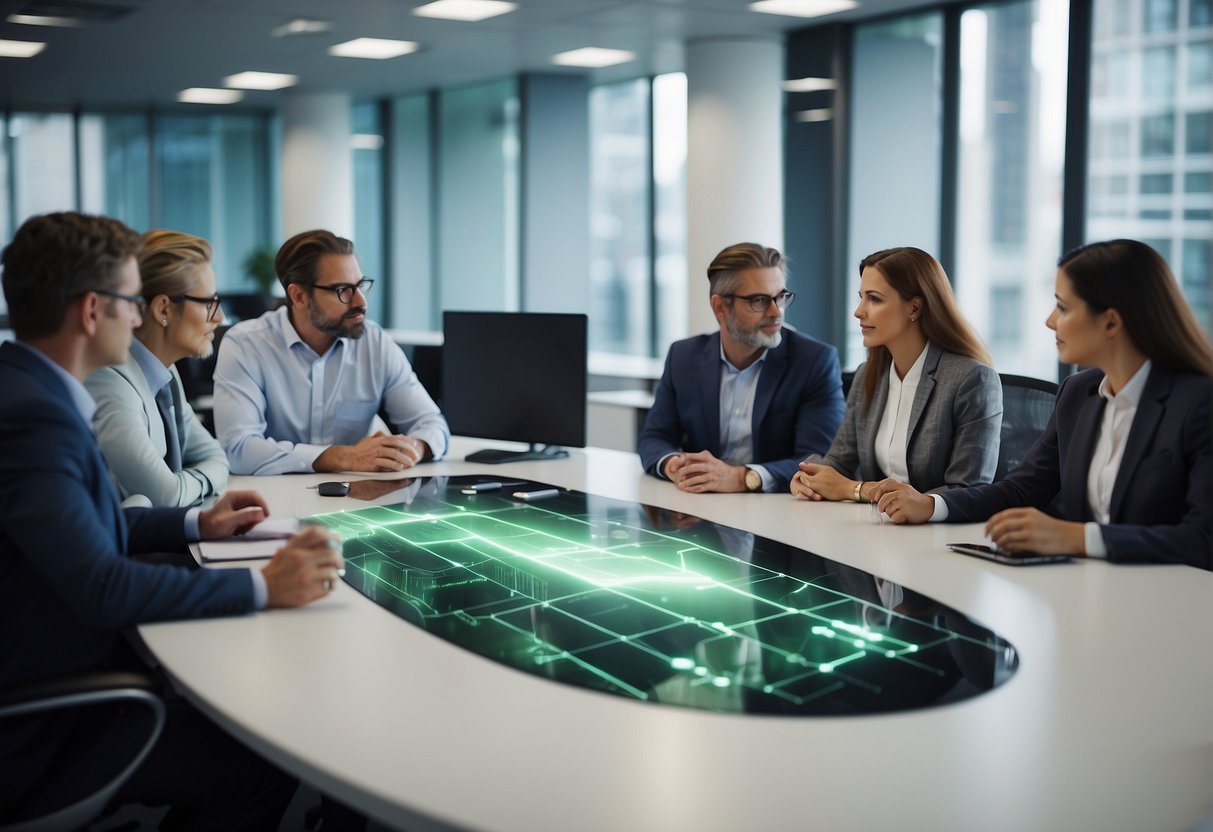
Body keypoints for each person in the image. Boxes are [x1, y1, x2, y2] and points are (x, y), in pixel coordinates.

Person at [0, 211, 346, 828]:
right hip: (47, 731)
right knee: (260, 763)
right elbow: (101, 584)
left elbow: (82, 531)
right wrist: (263, 586)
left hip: (59, 679)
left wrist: (193, 526)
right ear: (90, 311)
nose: (138, 319)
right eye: (130, 303)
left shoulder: (31, 393)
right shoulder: (36, 420)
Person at [871, 239, 1212, 571]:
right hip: (1092, 595)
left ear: (1110, 321)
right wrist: (932, 505)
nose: (1050, 321)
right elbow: (1022, 488)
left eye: (1062, 307)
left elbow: (1202, 538)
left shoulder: (1199, 403)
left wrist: (1078, 538)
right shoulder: (1079, 394)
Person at [213, 229, 449, 476]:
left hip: (354, 502)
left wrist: (414, 448)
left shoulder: (375, 343)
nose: (361, 302)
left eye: (360, 286)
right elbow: (238, 451)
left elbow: (433, 424)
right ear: (299, 296)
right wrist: (342, 456)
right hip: (271, 504)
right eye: (342, 290)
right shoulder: (245, 345)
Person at [790, 247, 1002, 504]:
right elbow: (839, 462)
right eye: (861, 297)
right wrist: (809, 477)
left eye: (874, 299)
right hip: (880, 531)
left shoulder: (971, 379)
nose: (858, 311)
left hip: (938, 537)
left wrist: (857, 489)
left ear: (914, 307)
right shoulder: (869, 374)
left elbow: (968, 490)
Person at [638, 242, 844, 493]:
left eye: (781, 297)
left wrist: (742, 477)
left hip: (778, 514)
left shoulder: (814, 360)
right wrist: (674, 464)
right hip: (700, 507)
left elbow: (819, 459)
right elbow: (654, 437)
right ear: (720, 307)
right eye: (759, 300)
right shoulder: (684, 356)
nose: (776, 312)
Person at [85, 229, 229, 507]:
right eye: (209, 303)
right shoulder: (107, 380)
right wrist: (201, 480)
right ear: (163, 309)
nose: (219, 317)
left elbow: (215, 456)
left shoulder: (165, 372)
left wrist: (186, 482)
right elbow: (165, 496)